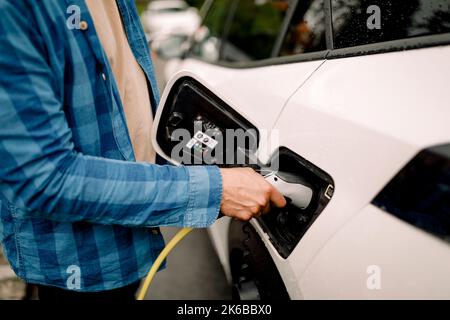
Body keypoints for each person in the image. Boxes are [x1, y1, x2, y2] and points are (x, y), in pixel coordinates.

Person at [0, 0, 286, 301]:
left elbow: (122, 104)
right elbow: (47, 178)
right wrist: (215, 190)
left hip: (131, 236)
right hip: (82, 265)